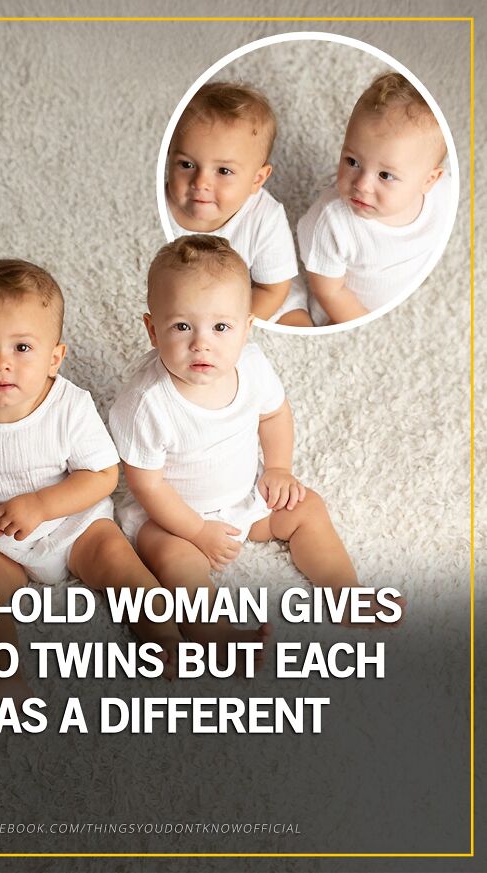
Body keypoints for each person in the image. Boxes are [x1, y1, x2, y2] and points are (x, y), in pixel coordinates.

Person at [0, 259, 183, 708]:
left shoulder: (70, 406)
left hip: (74, 526)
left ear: (55, 357)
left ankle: (163, 634)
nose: (1, 365)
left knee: (119, 563)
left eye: (22, 348)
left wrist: (44, 506)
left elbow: (103, 475)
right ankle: (1, 679)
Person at [109, 236, 404, 652]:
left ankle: (344, 593)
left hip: (245, 494)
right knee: (177, 563)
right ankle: (219, 637)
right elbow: (147, 485)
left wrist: (279, 468)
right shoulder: (146, 403)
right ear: (152, 330)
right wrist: (197, 531)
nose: (201, 343)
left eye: (221, 327)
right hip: (173, 517)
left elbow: (274, 415)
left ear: (247, 329)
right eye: (181, 326)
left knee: (306, 507)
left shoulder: (251, 366)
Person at [298, 71, 450, 325]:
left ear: (429, 180)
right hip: (346, 310)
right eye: (352, 161)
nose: (362, 184)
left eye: (385, 175)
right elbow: (329, 291)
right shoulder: (331, 223)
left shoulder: (443, 194)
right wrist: (365, 324)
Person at [165, 80, 310, 326]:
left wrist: (234, 327)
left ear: (257, 179)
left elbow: (272, 289)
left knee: (295, 321)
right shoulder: (160, 204)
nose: (201, 182)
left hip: (257, 296)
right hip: (191, 302)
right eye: (187, 165)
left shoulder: (265, 217)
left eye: (223, 171)